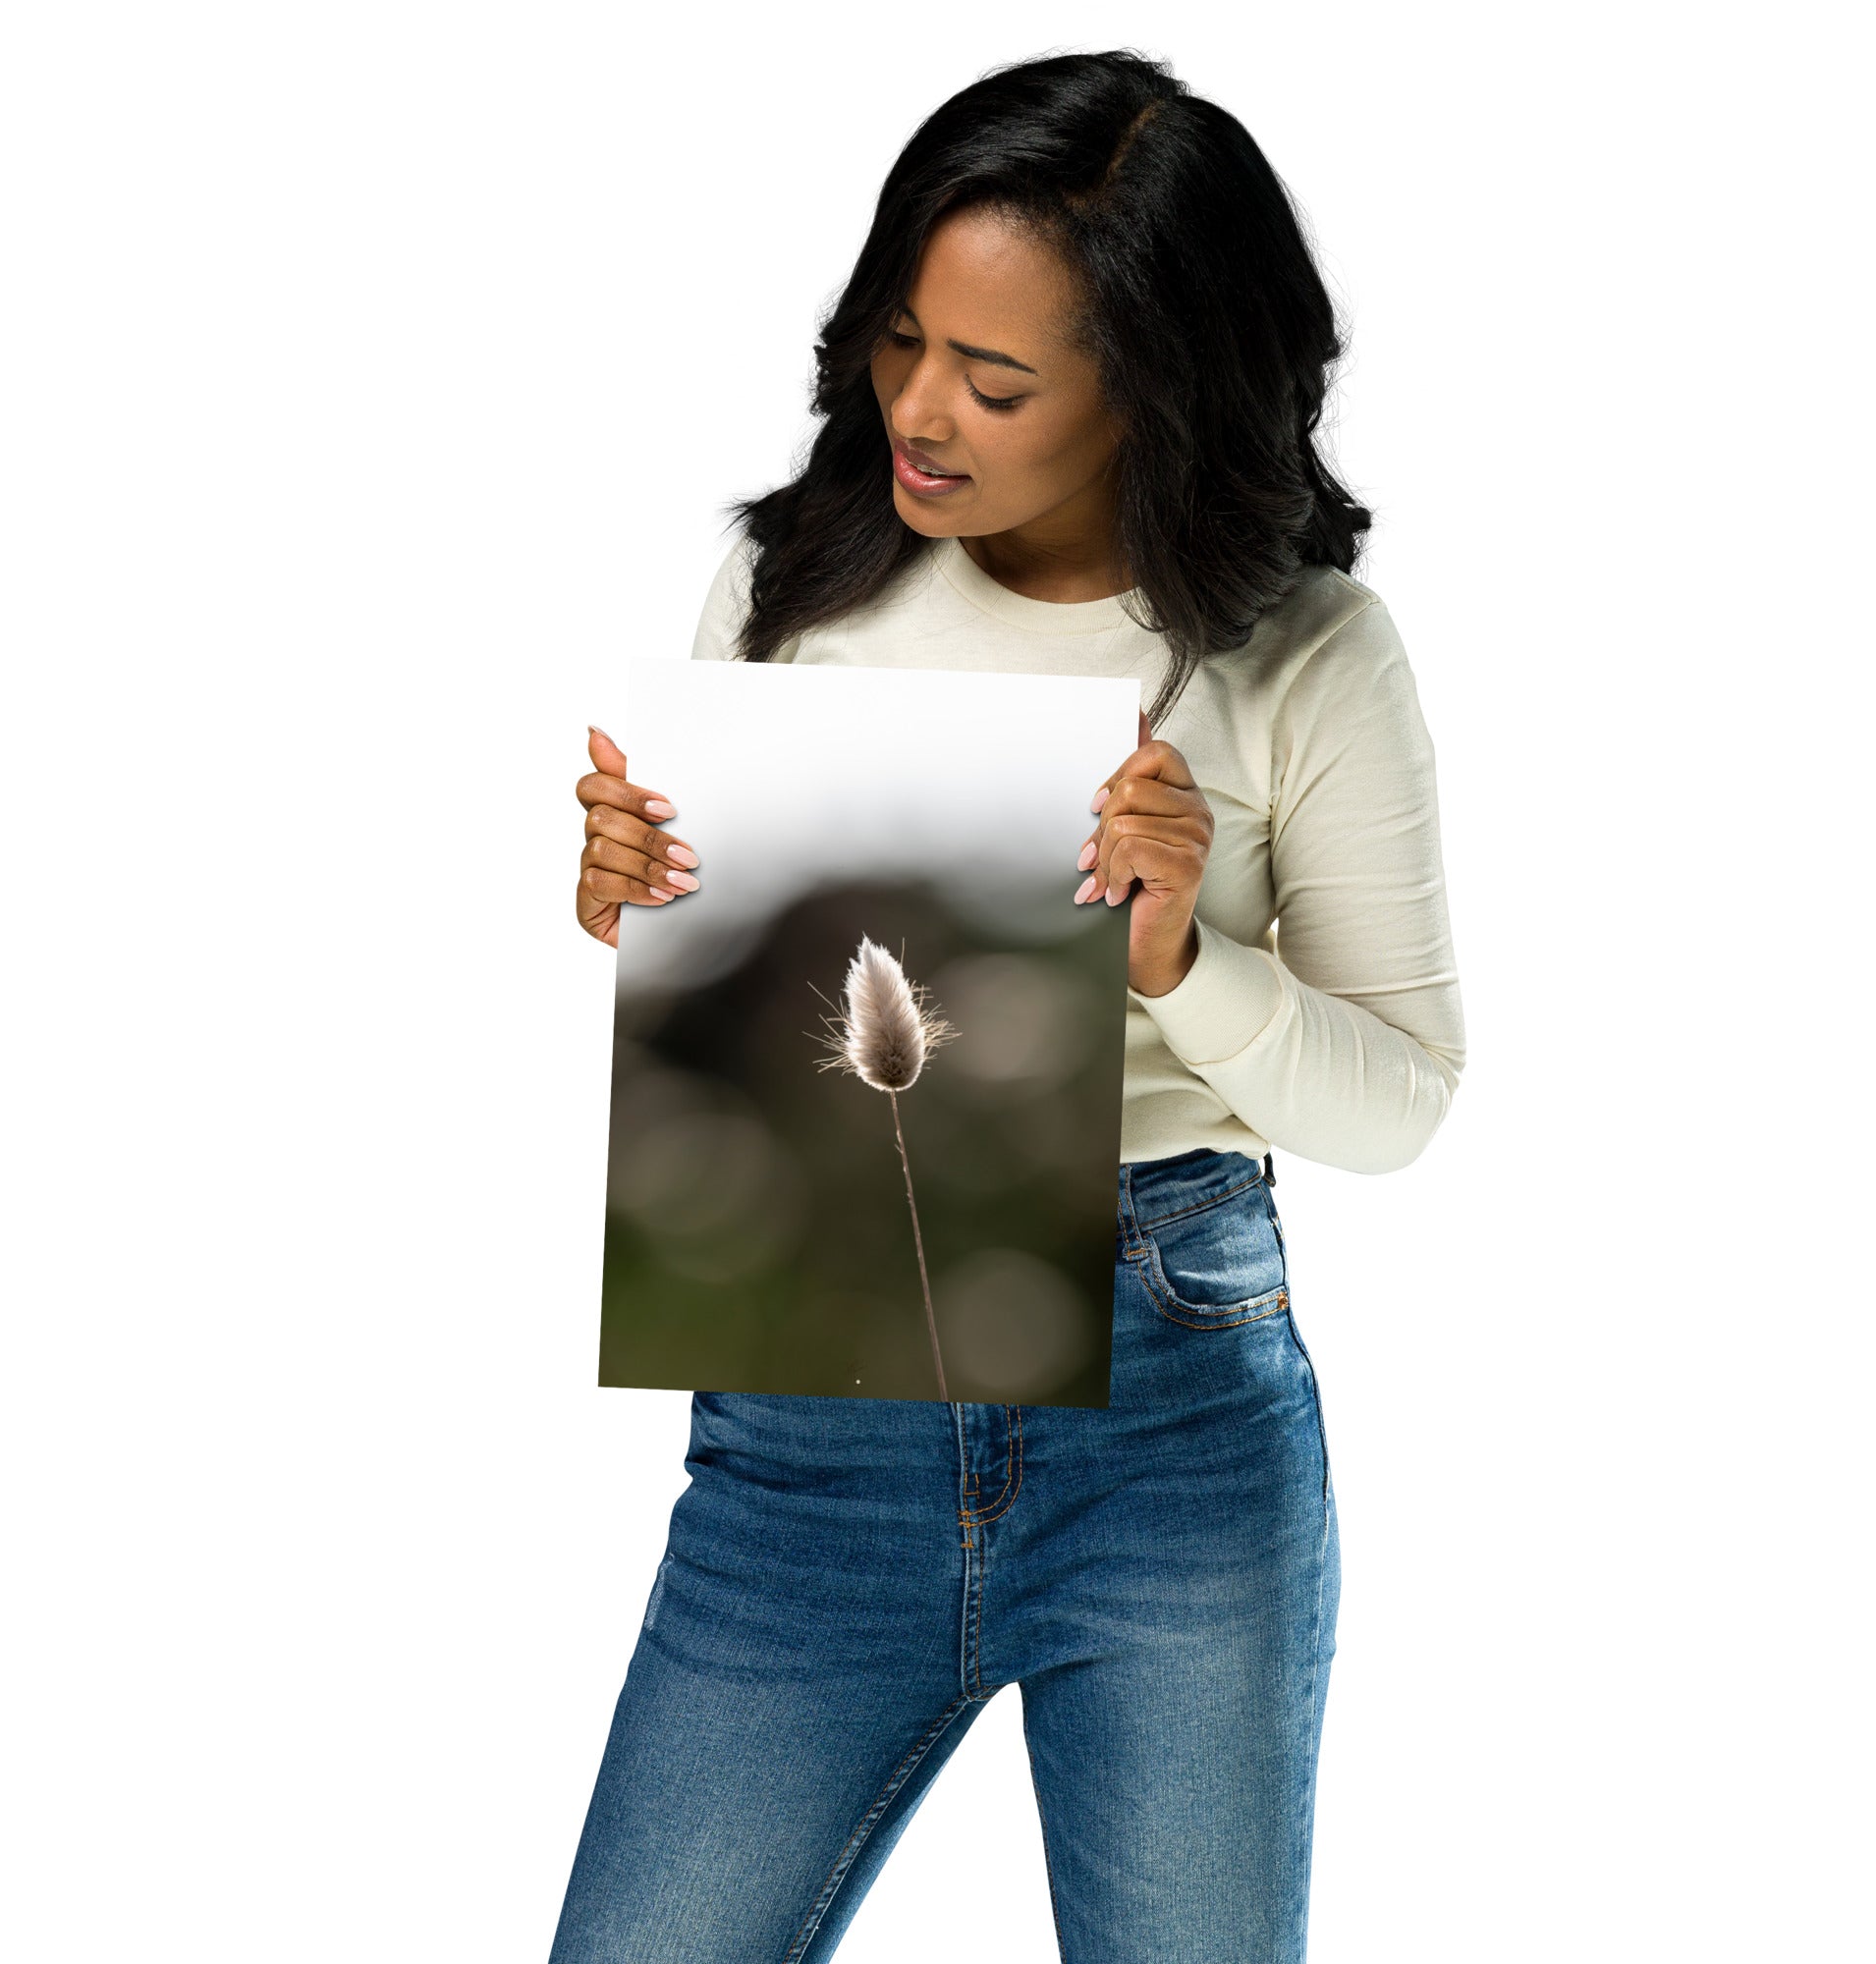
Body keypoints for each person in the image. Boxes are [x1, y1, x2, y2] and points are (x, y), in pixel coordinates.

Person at [556, 48, 1465, 1964]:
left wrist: (1176, 958)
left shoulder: (1301, 651)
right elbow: (741, 1050)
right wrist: (632, 910)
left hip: (1173, 1427)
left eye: (994, 377)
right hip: (805, 1433)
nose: (916, 411)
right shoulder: (788, 581)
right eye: (898, 343)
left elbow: (1397, 1103)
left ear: (1155, 381)